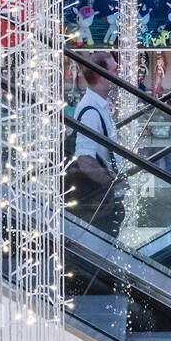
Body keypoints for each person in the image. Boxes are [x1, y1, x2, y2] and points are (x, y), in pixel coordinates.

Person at [67, 50, 126, 237]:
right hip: (98, 204)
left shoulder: (98, 105)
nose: (119, 74)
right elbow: (85, 159)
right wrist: (111, 182)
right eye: (115, 70)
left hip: (102, 202)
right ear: (102, 76)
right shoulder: (91, 112)